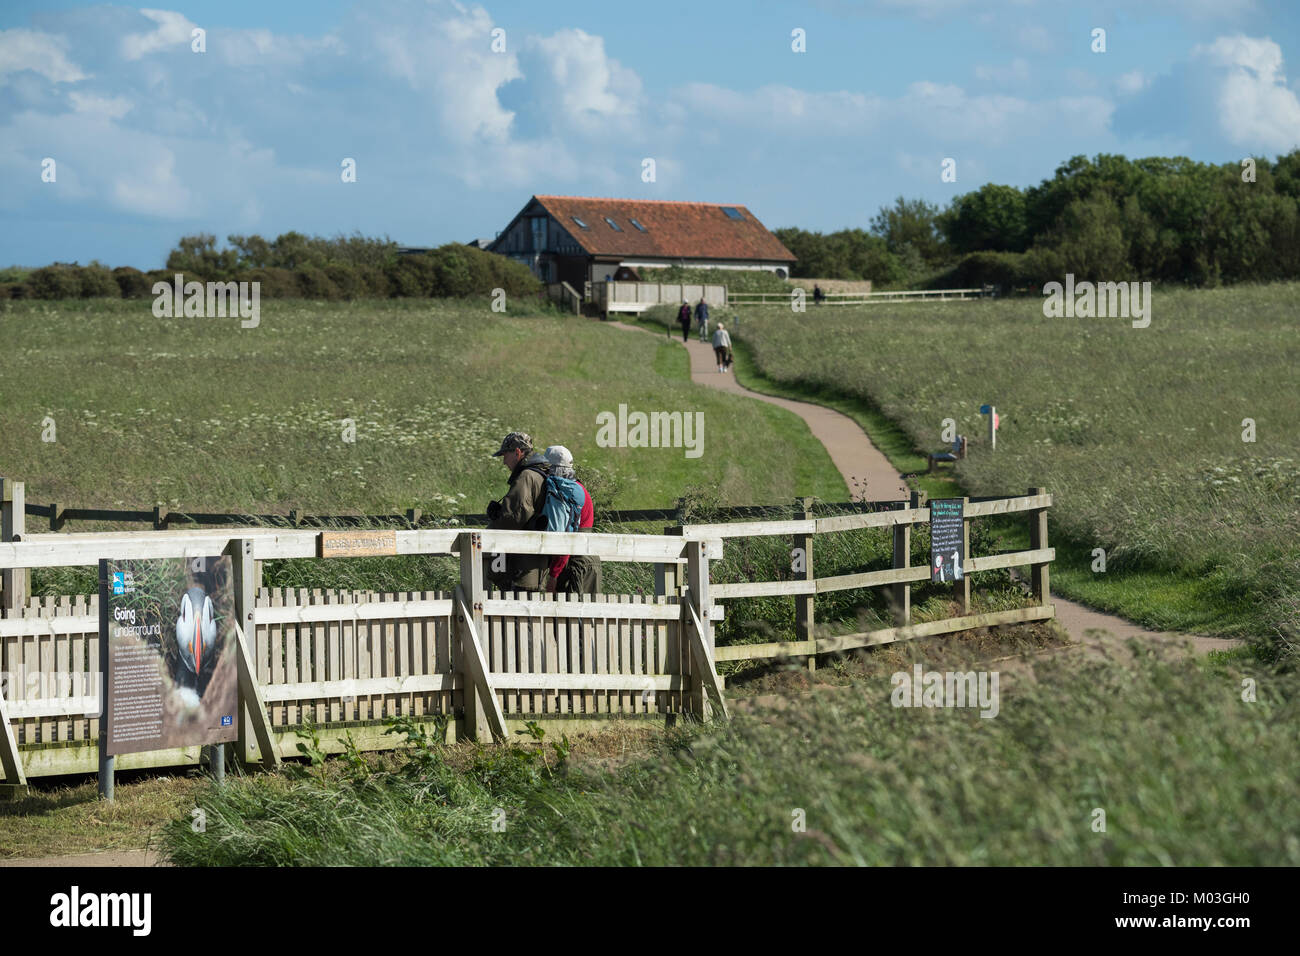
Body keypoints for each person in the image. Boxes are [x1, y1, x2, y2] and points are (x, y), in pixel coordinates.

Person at [485, 431, 551, 593]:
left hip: (524, 564)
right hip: (536, 561)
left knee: (520, 613)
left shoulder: (526, 476)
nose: (504, 462)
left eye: (505, 455)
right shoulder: (539, 473)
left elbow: (514, 517)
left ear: (517, 452)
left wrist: (494, 524)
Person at [543, 445, 601, 595]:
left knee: (572, 617)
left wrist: (553, 576)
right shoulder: (577, 488)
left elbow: (566, 538)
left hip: (576, 567)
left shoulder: (565, 494)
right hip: (588, 563)